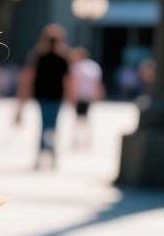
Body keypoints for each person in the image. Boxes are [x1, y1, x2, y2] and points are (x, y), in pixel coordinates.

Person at [15, 24, 71, 169]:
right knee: (52, 125)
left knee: (44, 124)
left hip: (42, 96)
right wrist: (71, 98)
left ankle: (42, 154)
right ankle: (52, 154)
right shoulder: (63, 58)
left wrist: (21, 103)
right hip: (56, 96)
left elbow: (28, 78)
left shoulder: (38, 56)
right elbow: (68, 81)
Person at [66, 46, 104, 149]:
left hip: (80, 95)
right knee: (84, 118)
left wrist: (70, 96)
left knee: (79, 119)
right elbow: (97, 83)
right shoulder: (93, 66)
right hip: (87, 96)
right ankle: (85, 139)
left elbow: (71, 82)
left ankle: (79, 139)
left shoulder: (76, 67)